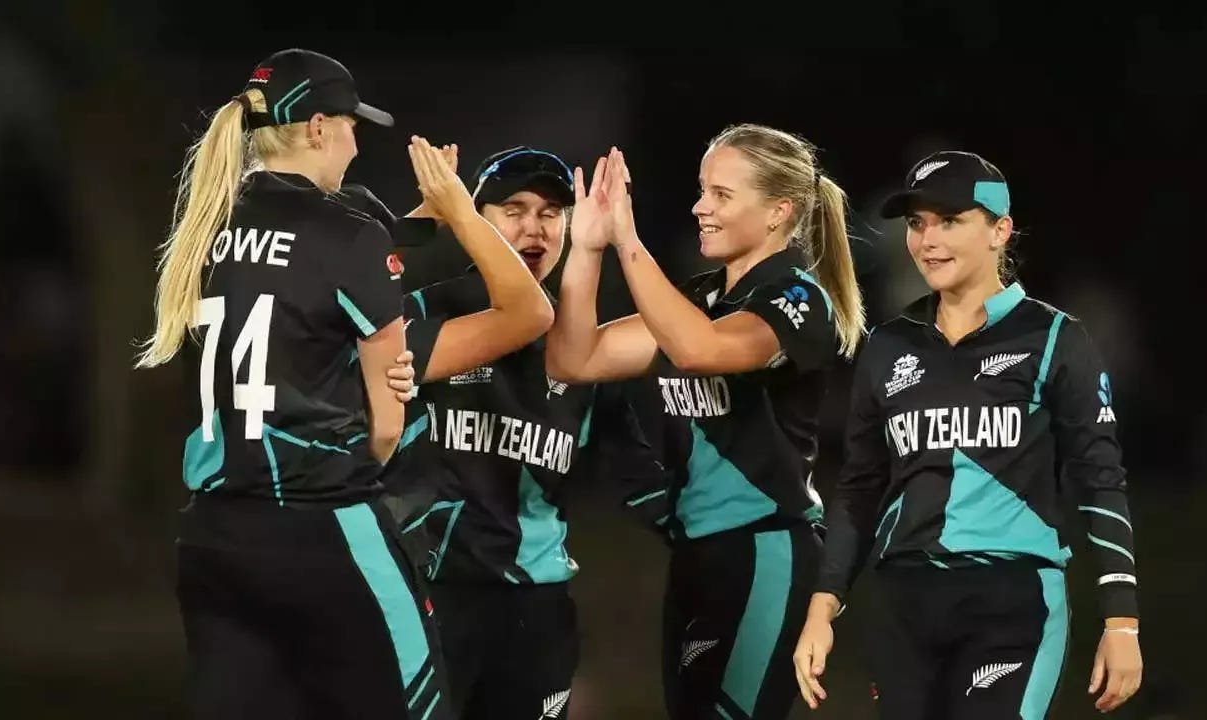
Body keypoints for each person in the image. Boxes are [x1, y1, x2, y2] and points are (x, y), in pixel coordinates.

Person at [132, 48, 470, 720]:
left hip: (214, 538)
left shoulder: (207, 222)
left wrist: (428, 216)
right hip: (325, 525)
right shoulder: (348, 232)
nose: (355, 142)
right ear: (317, 127)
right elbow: (386, 427)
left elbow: (322, 269)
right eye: (349, 125)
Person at [793, 151, 1144, 719]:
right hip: (904, 605)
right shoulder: (888, 346)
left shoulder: (1054, 338)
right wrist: (821, 608)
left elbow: (1101, 479)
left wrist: (1121, 621)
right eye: (917, 223)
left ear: (1000, 231)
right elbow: (859, 488)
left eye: (950, 220)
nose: (927, 240)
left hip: (1013, 601)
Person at [546, 124, 867, 720]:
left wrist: (628, 241)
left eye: (721, 194)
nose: (700, 207)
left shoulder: (799, 300)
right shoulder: (698, 300)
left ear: (778, 212)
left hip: (766, 551)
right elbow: (574, 358)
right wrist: (587, 249)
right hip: (696, 554)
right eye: (701, 190)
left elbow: (701, 349)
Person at [376, 145, 668, 720]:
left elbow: (638, 480)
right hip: (425, 595)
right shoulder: (421, 316)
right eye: (513, 210)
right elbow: (333, 297)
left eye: (551, 213)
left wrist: (731, 533)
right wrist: (422, 218)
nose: (534, 228)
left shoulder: (579, 348)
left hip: (535, 610)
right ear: (474, 218)